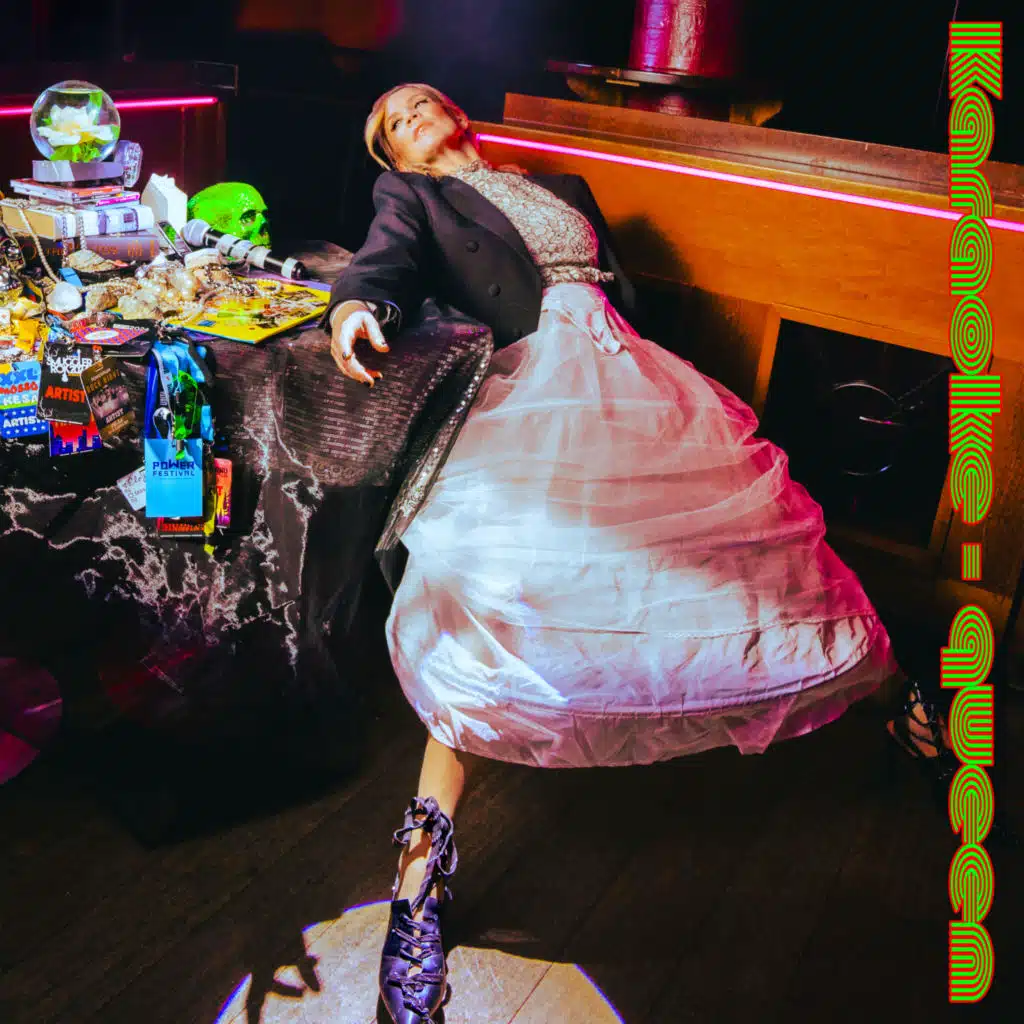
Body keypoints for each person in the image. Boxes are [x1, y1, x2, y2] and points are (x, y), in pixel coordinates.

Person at [325, 83, 958, 1024]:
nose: (411, 111)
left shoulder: (560, 187)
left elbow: (613, 291)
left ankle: (896, 697)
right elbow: (385, 262)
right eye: (392, 120)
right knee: (492, 597)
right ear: (393, 156)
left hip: (628, 378)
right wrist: (355, 309)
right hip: (527, 389)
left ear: (457, 115)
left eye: (422, 100)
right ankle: (419, 883)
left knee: (745, 561)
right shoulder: (411, 198)